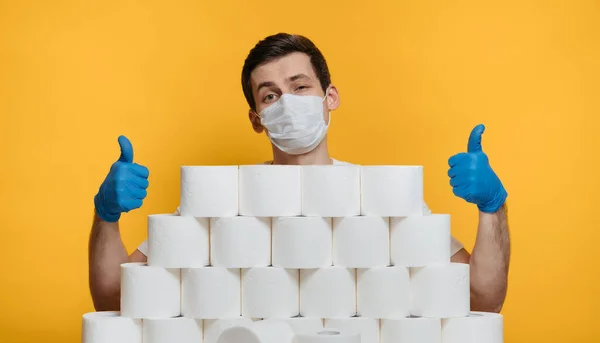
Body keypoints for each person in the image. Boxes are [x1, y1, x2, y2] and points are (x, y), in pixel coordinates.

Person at [89, 33, 510, 314]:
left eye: (300, 86)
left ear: (330, 97)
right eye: (270, 95)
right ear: (257, 118)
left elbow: (482, 299)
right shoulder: (221, 201)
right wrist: (107, 218)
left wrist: (492, 208)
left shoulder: (380, 197)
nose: (287, 102)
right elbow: (114, 297)